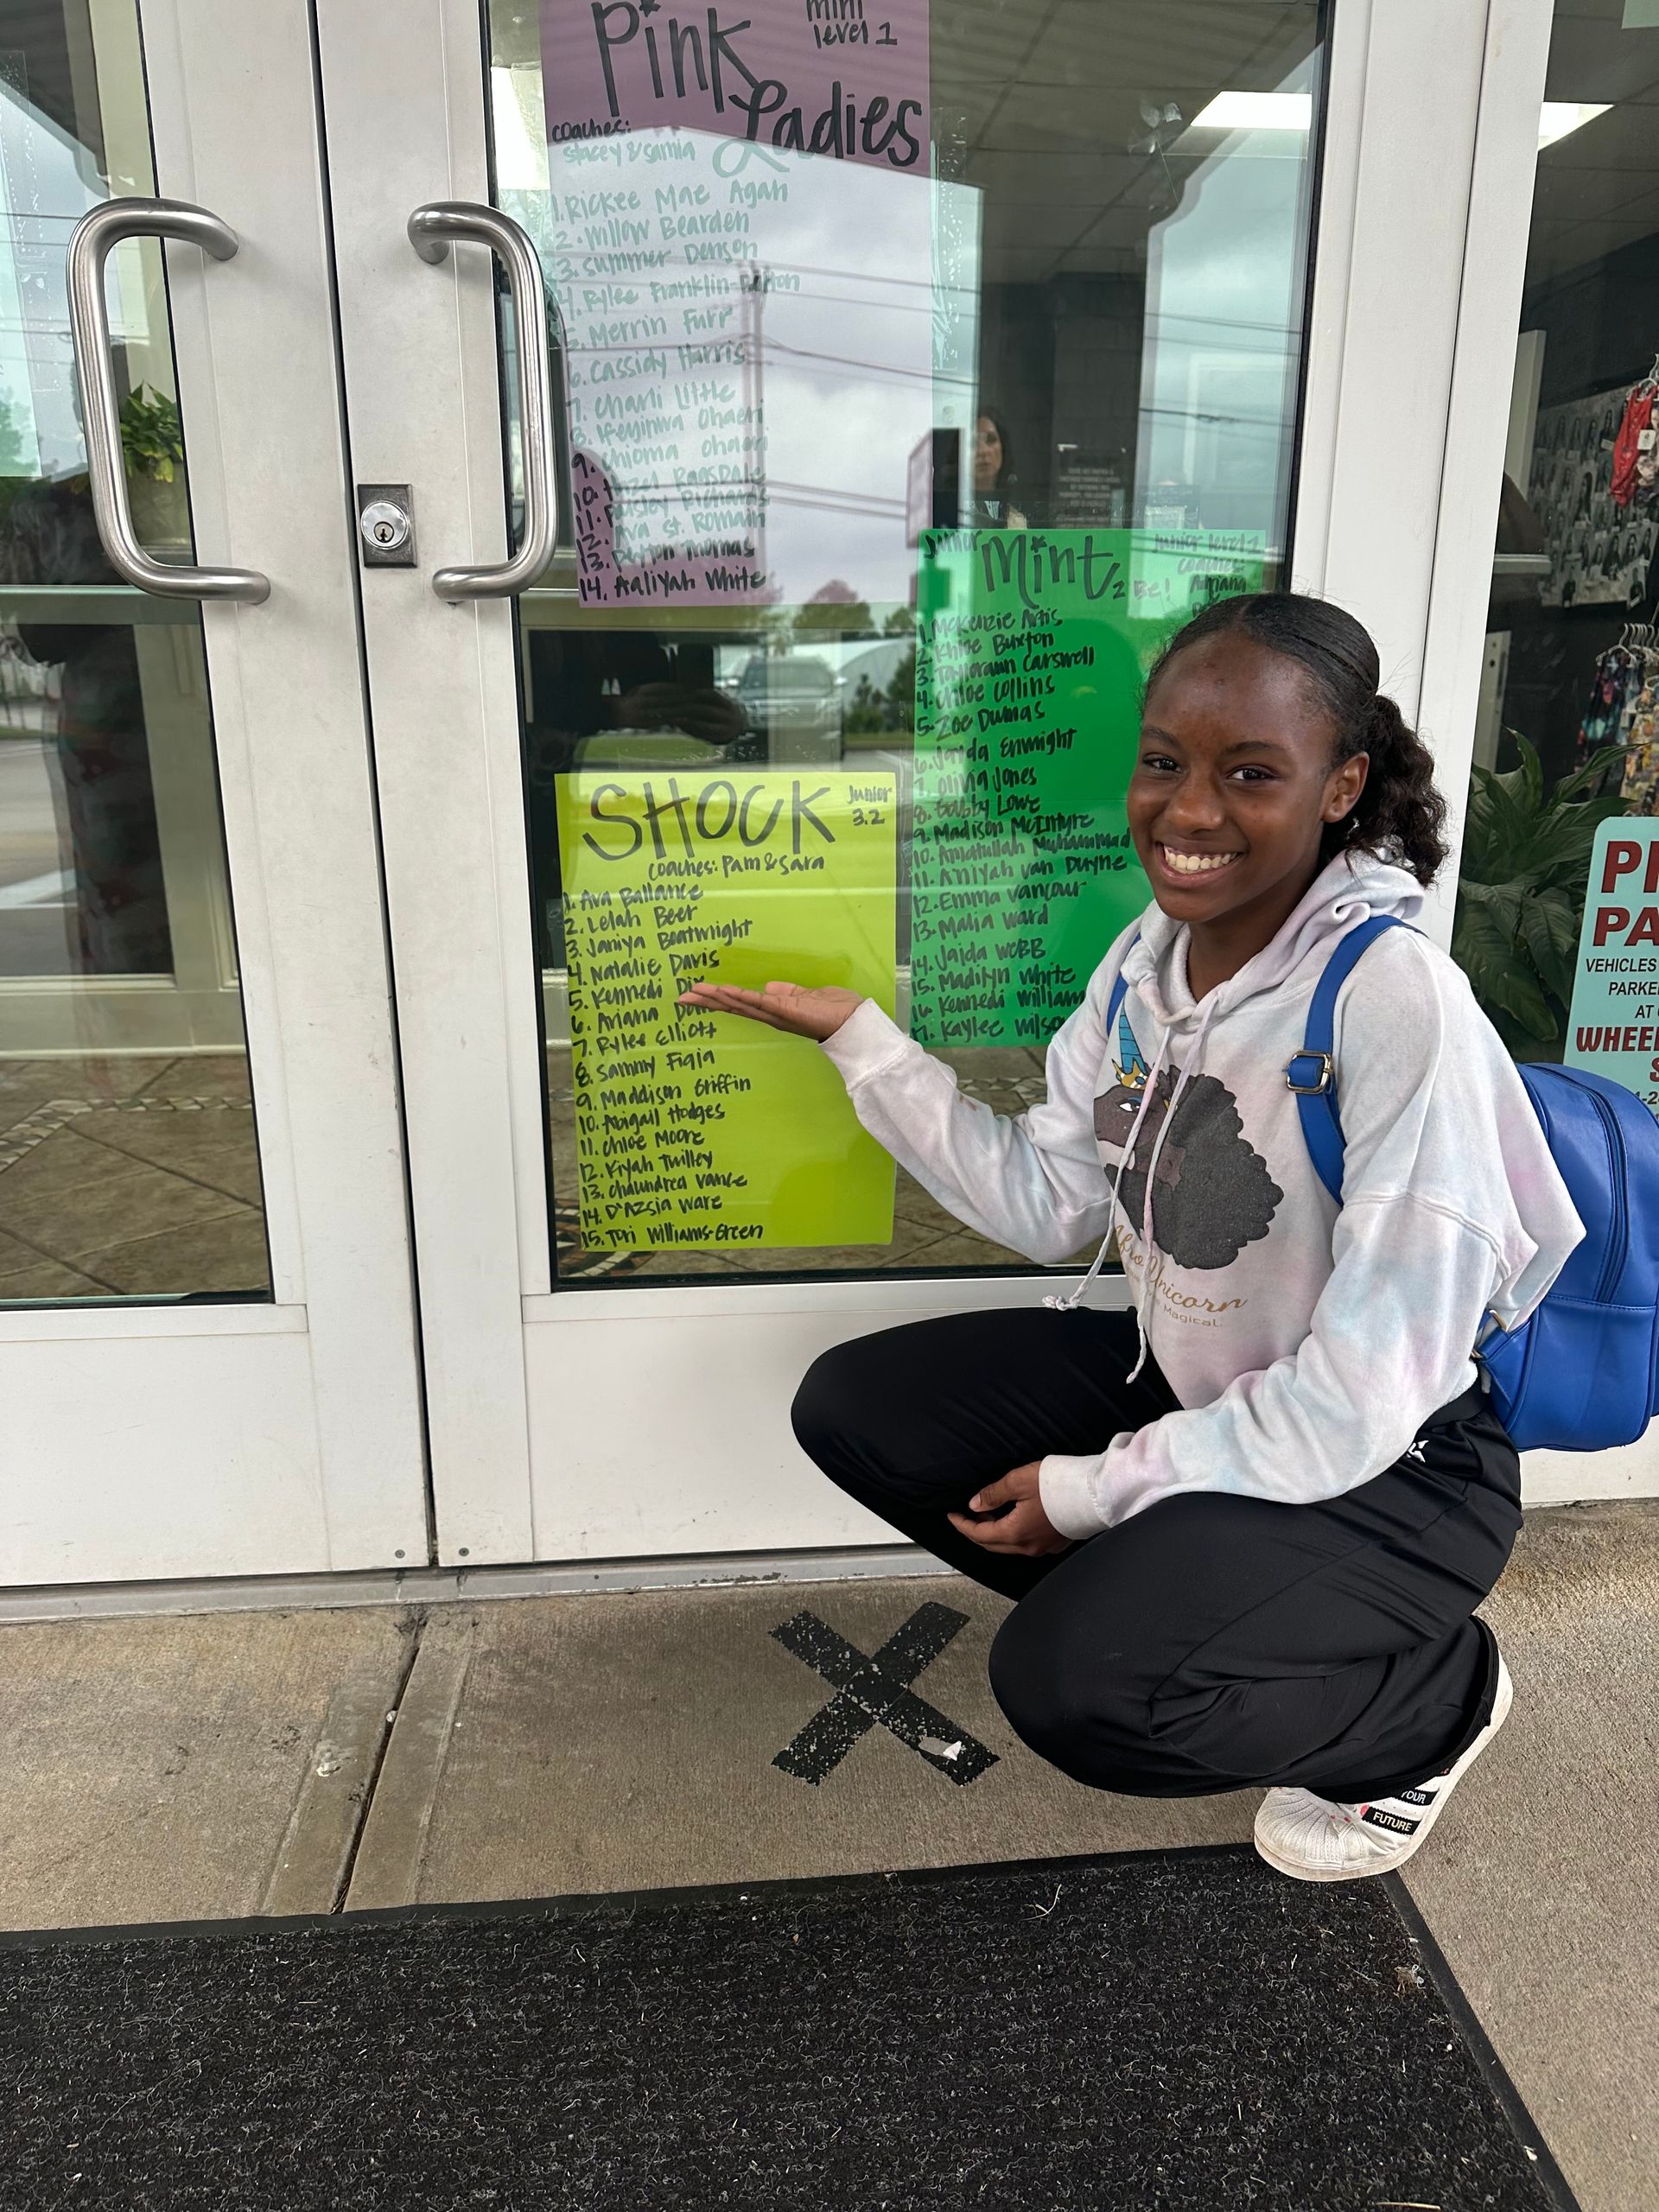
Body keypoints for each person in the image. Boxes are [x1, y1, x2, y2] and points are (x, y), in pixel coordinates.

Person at [678, 591, 1584, 1884]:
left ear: (1343, 787)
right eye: (1165, 763)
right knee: (862, 1410)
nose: (1190, 810)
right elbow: (1051, 1206)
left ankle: (1432, 1705)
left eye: (1250, 774)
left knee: (1076, 1694)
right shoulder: (1146, 968)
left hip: (1396, 1472)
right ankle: (1180, 1618)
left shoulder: (1394, 1005)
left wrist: (1094, 1491)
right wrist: (864, 1047)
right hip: (1197, 1387)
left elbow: (1358, 1401)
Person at [970, 410, 1027, 529]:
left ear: (1003, 447)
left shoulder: (1016, 522)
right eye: (973, 442)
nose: (983, 451)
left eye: (991, 440)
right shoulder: (947, 515)